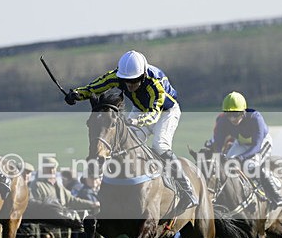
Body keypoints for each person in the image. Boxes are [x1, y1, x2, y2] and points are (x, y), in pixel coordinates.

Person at [64, 50, 198, 214]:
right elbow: (95, 87)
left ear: (142, 76)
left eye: (134, 81)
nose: (130, 85)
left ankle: (187, 191)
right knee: (125, 144)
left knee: (160, 146)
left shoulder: (155, 84)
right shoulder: (117, 76)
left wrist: (135, 121)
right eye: (126, 81)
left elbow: (153, 114)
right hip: (140, 109)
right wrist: (77, 94)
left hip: (165, 112)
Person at [208, 91, 282, 209]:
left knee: (251, 166)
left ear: (243, 111)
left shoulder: (256, 118)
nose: (232, 119)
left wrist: (240, 158)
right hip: (241, 143)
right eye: (229, 115)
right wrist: (219, 155)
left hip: (260, 144)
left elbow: (256, 146)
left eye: (236, 114)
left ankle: (277, 196)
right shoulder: (223, 121)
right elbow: (218, 143)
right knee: (226, 164)